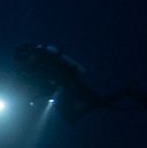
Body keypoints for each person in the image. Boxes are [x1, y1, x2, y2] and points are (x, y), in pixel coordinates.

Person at [13, 43, 146, 122]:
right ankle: (127, 96)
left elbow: (54, 79)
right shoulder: (41, 61)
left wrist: (45, 93)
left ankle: (126, 95)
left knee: (74, 115)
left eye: (24, 60)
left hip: (69, 87)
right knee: (98, 104)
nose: (26, 63)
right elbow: (48, 84)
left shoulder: (43, 60)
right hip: (68, 87)